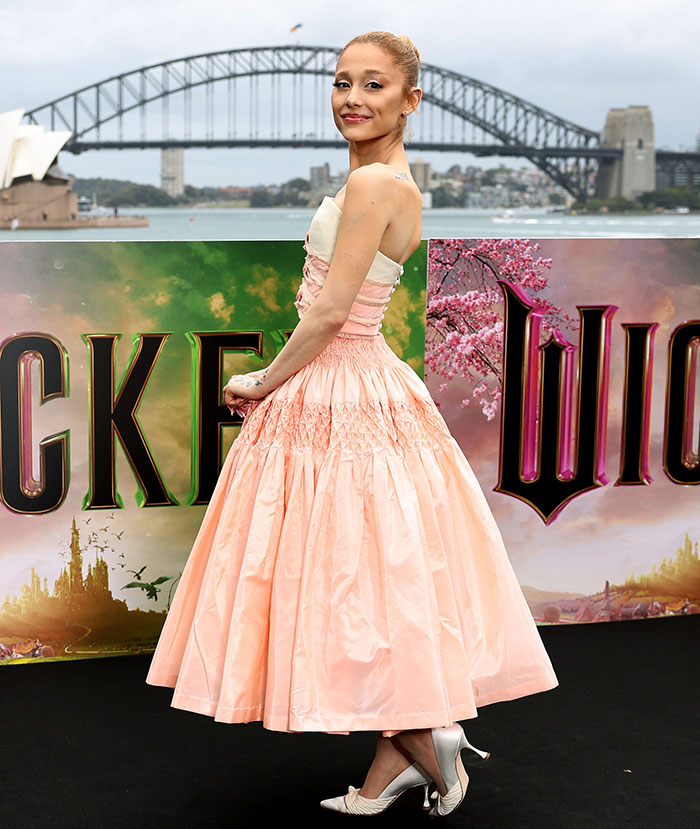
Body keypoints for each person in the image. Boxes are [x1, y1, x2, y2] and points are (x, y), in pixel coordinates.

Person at [146, 31, 559, 818]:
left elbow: (333, 311)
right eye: (341, 82)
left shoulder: (375, 188)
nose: (351, 98)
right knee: (371, 571)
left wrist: (264, 381)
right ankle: (396, 758)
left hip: (341, 383)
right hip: (366, 385)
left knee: (342, 573)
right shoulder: (383, 179)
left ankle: (420, 725)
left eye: (374, 85)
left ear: (411, 100)